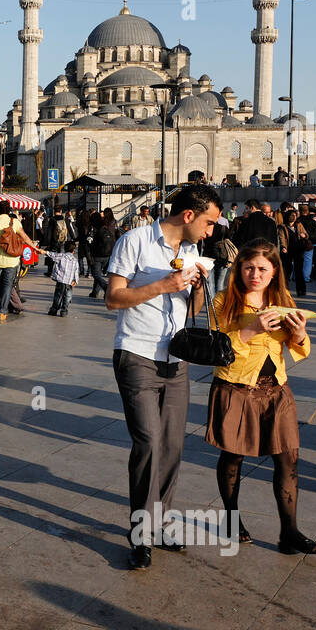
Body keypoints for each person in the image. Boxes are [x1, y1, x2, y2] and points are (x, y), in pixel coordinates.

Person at [106, 183, 221, 570]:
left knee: (172, 445)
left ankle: (159, 524)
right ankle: (139, 533)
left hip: (177, 357)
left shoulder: (191, 252)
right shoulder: (135, 241)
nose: (210, 232)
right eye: (208, 223)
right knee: (149, 443)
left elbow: (191, 310)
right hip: (136, 354)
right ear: (188, 215)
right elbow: (113, 298)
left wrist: (201, 285)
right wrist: (163, 285)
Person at [207, 239, 316, 554]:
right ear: (238, 268)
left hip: (276, 388)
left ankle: (290, 532)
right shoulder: (223, 300)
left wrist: (299, 334)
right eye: (248, 267)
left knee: (288, 458)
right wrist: (251, 329)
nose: (254, 274)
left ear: (274, 271)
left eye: (262, 268)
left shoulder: (282, 298)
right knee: (233, 455)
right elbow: (217, 349)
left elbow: (298, 345)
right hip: (235, 386)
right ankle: (232, 519)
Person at [0, 200, 37, 321]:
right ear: (9, 210)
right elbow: (25, 237)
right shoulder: (15, 222)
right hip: (12, 260)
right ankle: (3, 311)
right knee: (7, 286)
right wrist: (35, 248)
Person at [87, 210, 119, 299]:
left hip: (97, 255)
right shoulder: (105, 227)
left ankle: (106, 287)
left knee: (96, 274)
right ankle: (95, 292)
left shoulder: (93, 228)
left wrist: (89, 256)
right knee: (99, 274)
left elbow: (89, 242)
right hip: (108, 254)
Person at [44, 240, 79, 317]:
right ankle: (64, 311)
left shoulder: (61, 256)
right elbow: (76, 271)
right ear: (73, 251)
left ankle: (54, 310)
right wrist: (75, 280)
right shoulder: (75, 260)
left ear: (64, 249)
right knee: (67, 297)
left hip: (60, 281)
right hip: (69, 282)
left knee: (58, 296)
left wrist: (44, 252)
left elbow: (52, 254)